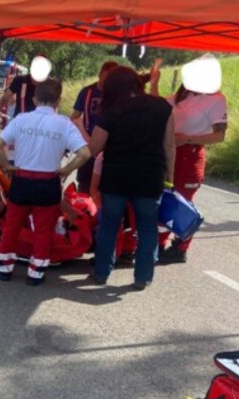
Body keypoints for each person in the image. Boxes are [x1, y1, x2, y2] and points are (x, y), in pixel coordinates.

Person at [0, 78, 91, 286]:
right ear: (58, 100)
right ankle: (35, 273)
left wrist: (6, 167)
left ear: (35, 99)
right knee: (43, 230)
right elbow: (85, 153)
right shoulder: (64, 124)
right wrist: (66, 170)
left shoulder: (21, 119)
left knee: (12, 225)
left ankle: (4, 267)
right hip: (48, 183)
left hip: (21, 179)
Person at [90, 66, 176, 290]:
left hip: (116, 177)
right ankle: (143, 277)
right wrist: (170, 176)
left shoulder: (111, 110)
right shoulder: (162, 107)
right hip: (150, 177)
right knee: (147, 228)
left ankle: (101, 272)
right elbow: (169, 145)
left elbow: (94, 147)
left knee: (109, 225)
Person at [158, 62, 228, 263]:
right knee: (165, 198)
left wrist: (188, 138)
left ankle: (180, 247)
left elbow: (219, 135)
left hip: (190, 154)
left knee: (181, 203)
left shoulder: (216, 100)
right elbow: (160, 104)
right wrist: (153, 83)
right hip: (172, 152)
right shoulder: (182, 96)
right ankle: (159, 243)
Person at [71, 61, 119, 193]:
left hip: (109, 149)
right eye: (108, 75)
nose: (110, 80)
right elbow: (75, 116)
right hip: (88, 147)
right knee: (84, 184)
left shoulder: (117, 95)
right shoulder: (87, 92)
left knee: (105, 187)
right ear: (101, 74)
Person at [0, 55, 52, 128]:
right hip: (20, 125)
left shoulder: (49, 85)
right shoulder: (20, 80)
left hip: (41, 126)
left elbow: (54, 106)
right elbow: (5, 98)